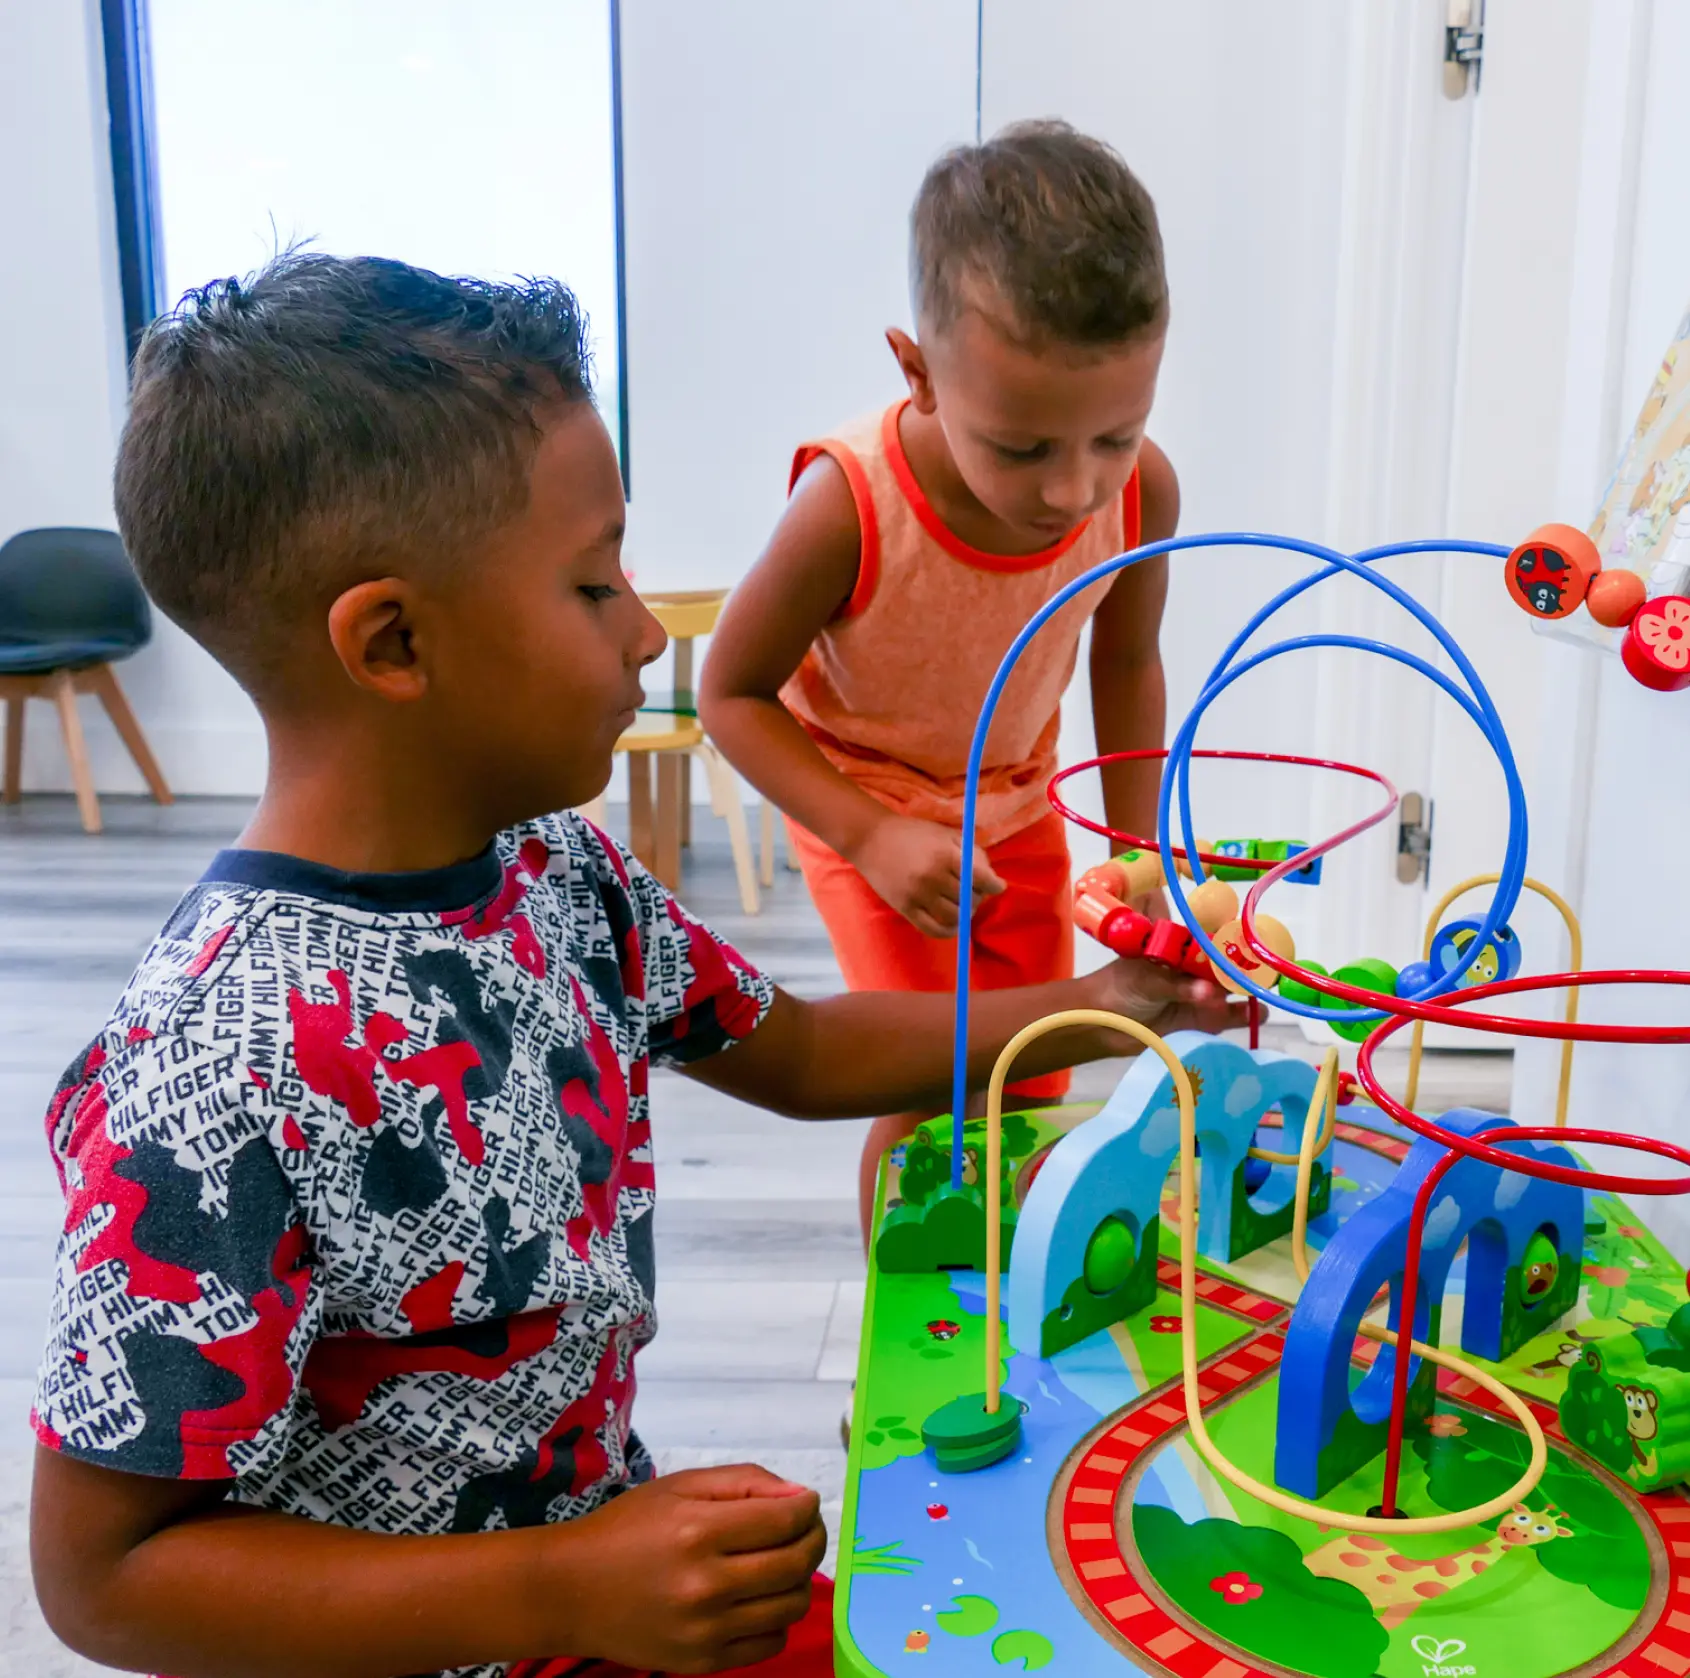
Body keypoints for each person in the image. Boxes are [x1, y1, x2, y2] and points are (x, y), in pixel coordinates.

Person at [28, 253, 1232, 1678]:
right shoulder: (214, 1067)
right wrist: (558, 1586)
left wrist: (1103, 1007)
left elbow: (799, 1052)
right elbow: (102, 1580)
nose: (648, 631)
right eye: (594, 580)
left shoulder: (556, 870)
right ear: (393, 639)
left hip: (586, 1575)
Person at [700, 121, 1180, 1246]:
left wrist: (1138, 846)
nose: (1073, 490)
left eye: (1115, 433)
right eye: (1022, 449)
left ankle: (992, 1305)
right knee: (933, 1082)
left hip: (1016, 804)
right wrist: (868, 835)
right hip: (871, 805)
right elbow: (731, 695)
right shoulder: (843, 505)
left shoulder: (1140, 494)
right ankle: (897, 1345)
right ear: (915, 370)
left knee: (1034, 1066)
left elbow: (1126, 657)